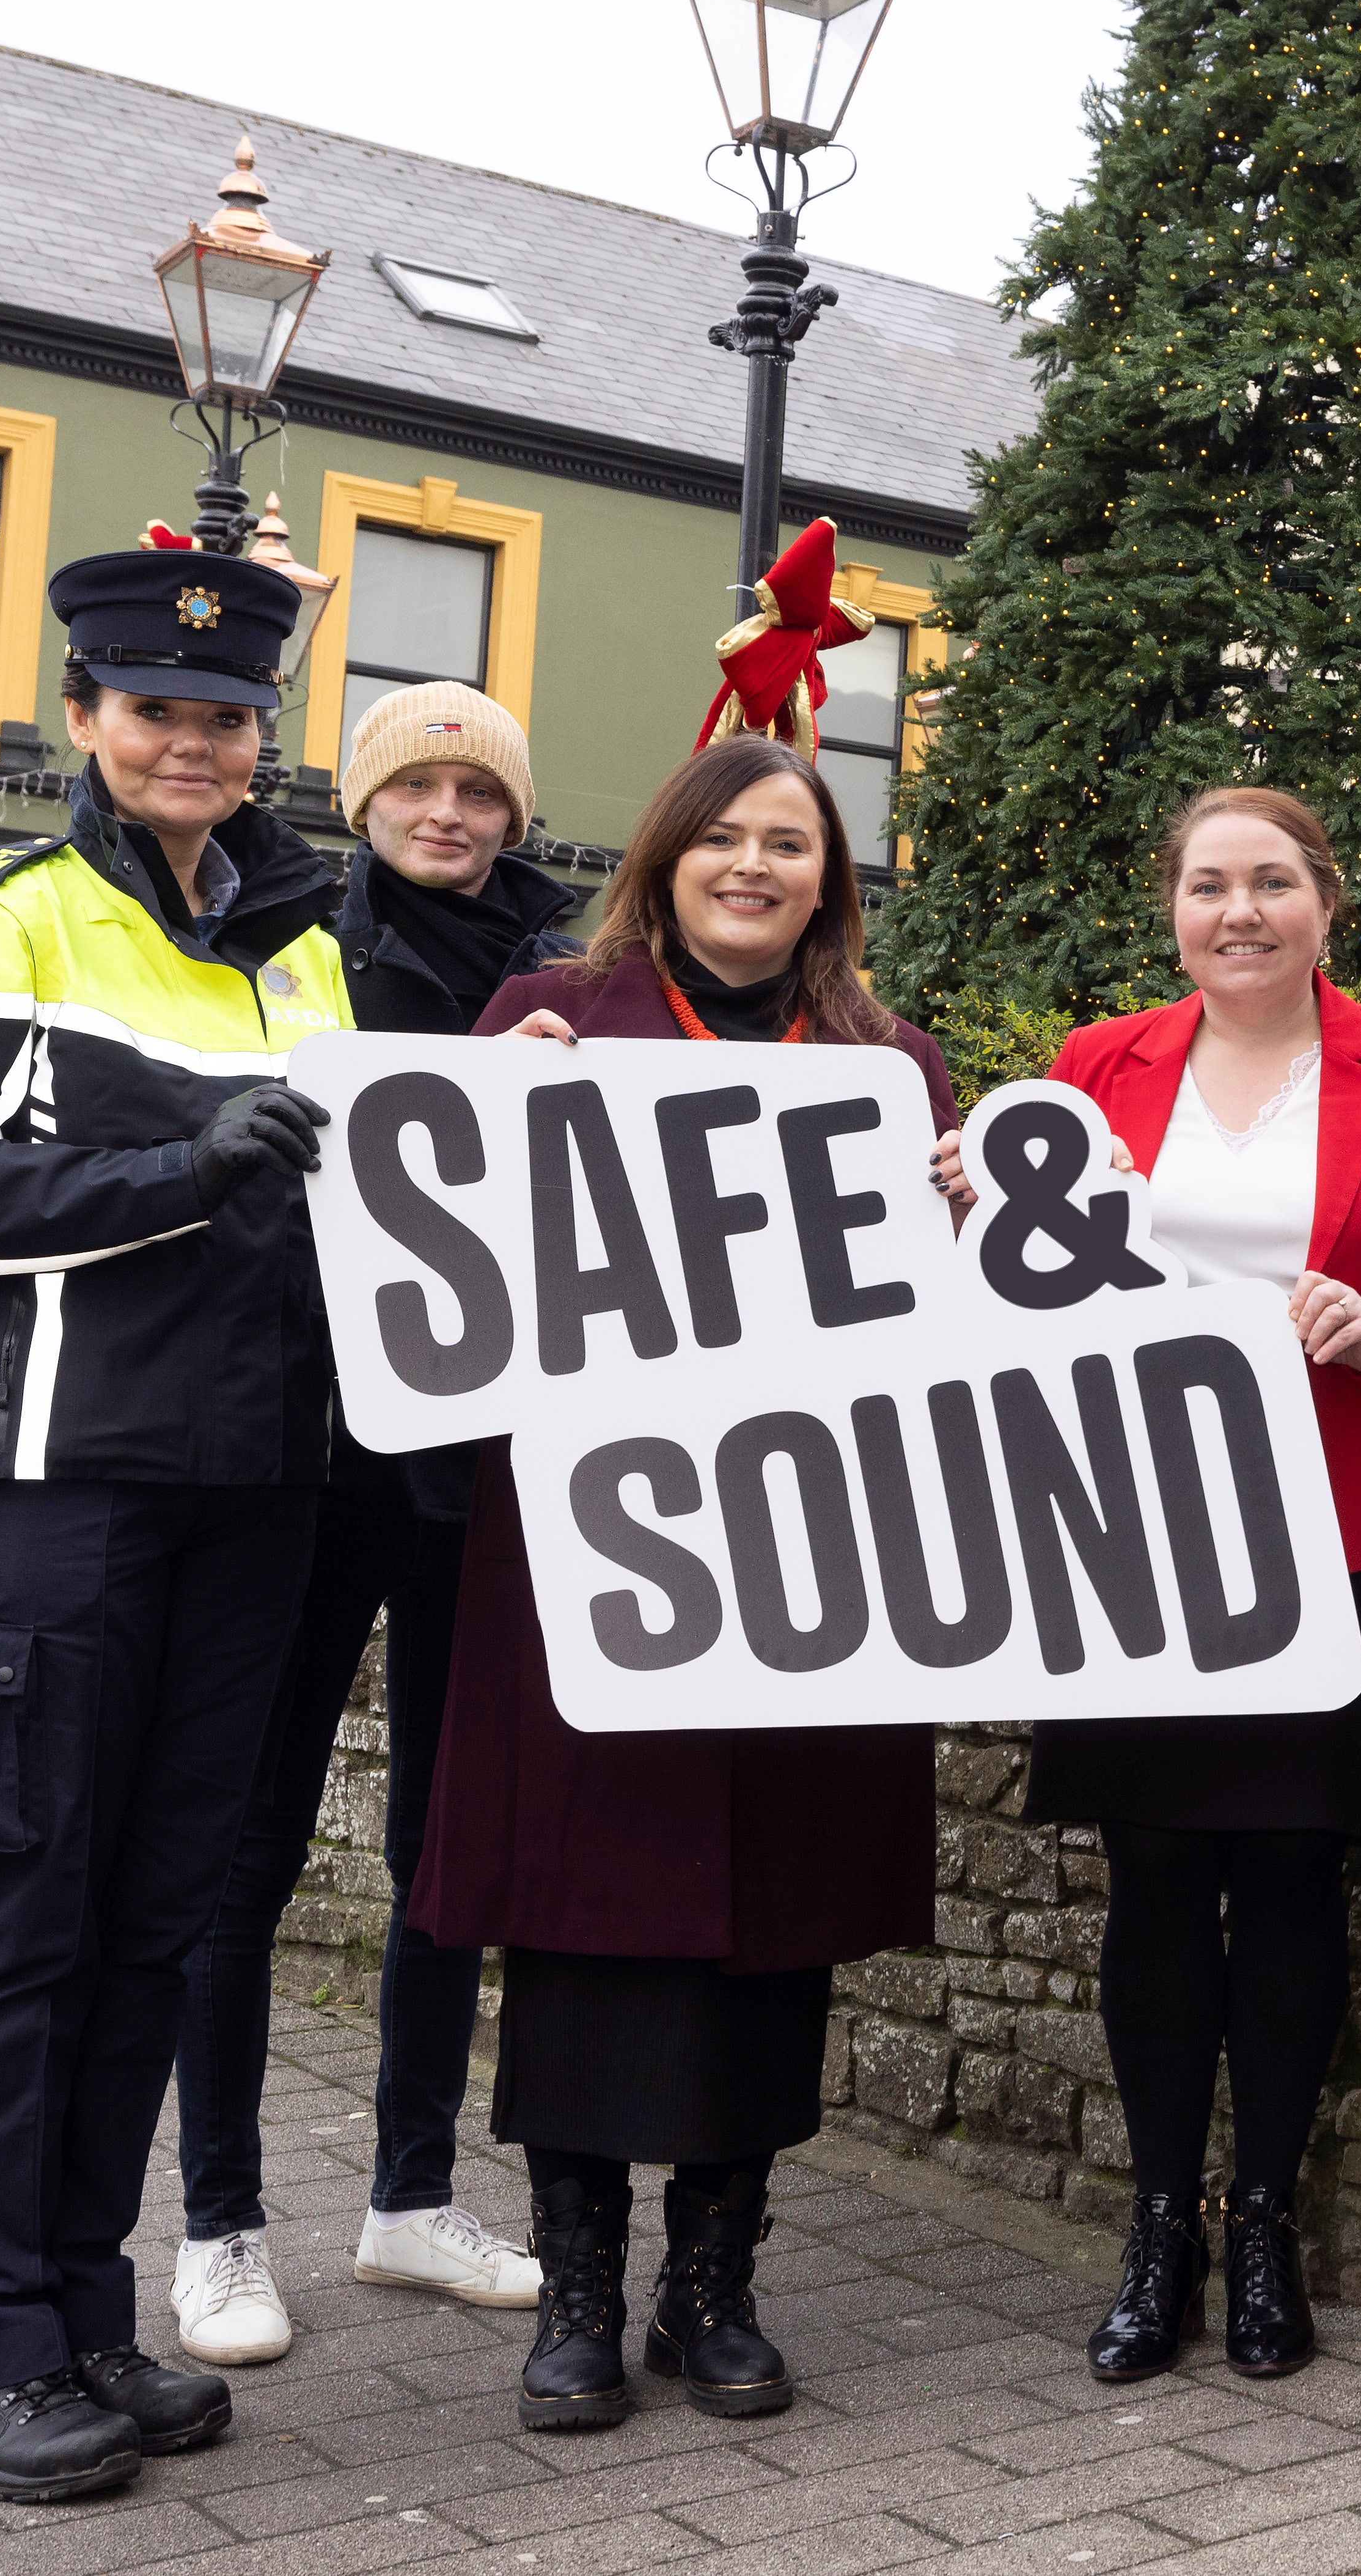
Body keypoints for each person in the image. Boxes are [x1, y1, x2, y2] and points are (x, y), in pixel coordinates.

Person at [0, 545, 353, 2503]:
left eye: (226, 718)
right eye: (156, 710)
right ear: (86, 718)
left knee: (152, 1930)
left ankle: (78, 2314)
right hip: (52, 1493)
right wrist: (188, 1165)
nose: (192, 742)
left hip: (251, 1495)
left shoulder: (301, 947)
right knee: (25, 1923)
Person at [408, 735, 970, 2432]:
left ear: (829, 879)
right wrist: (486, 1122)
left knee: (771, 1929)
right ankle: (575, 2293)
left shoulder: (889, 1060)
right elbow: (447, 1258)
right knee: (581, 1916)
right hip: (597, 1541)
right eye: (721, 839)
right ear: (661, 859)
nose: (753, 867)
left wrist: (961, 1211)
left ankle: (710, 2288)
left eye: (788, 844)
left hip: (808, 1549)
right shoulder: (547, 1016)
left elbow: (946, 1335)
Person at [1036, 788, 1361, 2383]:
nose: (1240, 912)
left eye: (1271, 881)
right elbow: (1024, 1276)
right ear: (1173, 907)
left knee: (1294, 1875)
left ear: (1324, 899)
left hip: (1340, 1520)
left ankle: (1267, 2226)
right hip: (1135, 1524)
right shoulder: (1094, 1071)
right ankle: (1159, 2228)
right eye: (1210, 885)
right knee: (1152, 1870)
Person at [169, 683, 573, 2365]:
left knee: (444, 1848)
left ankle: (411, 2197)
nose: (448, 813)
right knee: (246, 1847)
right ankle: (218, 2226)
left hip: (484, 1475)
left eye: (477, 791)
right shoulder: (300, 941)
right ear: (364, 800)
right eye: (415, 783)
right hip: (314, 1460)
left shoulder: (567, 979)